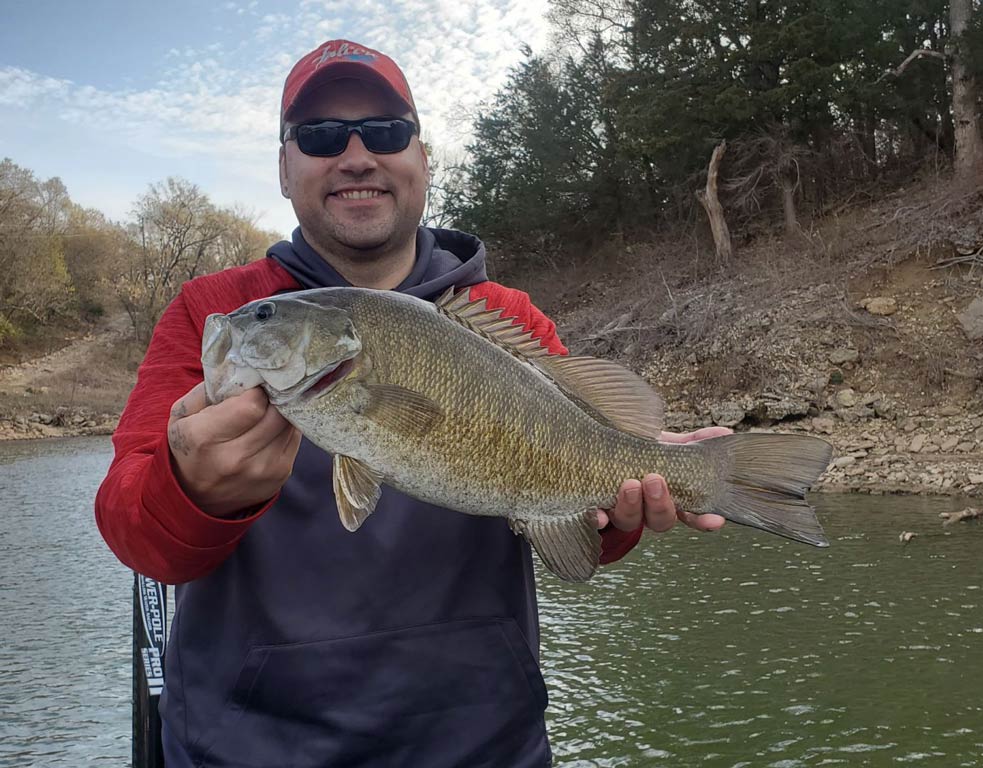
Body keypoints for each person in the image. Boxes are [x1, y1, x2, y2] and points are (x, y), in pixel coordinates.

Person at [95, 39, 728, 767]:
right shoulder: (220, 313)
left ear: (424, 158)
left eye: (387, 131)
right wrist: (188, 490)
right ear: (283, 167)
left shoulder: (507, 317)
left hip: (484, 747)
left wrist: (623, 504)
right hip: (252, 748)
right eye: (322, 136)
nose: (357, 155)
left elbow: (579, 524)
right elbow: (133, 533)